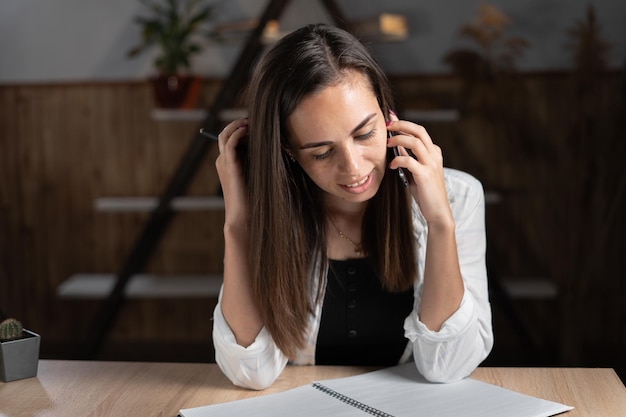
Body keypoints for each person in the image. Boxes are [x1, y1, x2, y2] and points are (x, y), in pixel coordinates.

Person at [212, 23, 493, 390]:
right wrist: (238, 225)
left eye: (365, 134)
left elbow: (448, 365)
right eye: (322, 152)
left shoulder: (459, 197)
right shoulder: (268, 211)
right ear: (287, 152)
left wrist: (440, 222)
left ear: (388, 114)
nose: (355, 168)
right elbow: (250, 371)